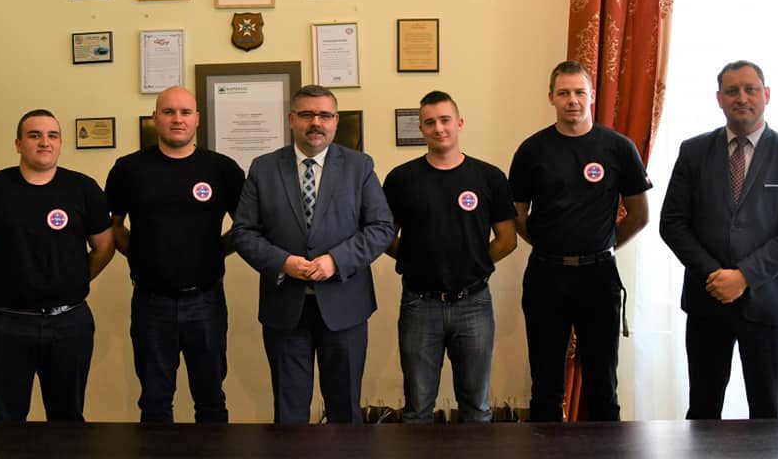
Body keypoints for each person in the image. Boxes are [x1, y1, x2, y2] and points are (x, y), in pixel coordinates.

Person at [660, 60, 778, 419]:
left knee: (767, 410)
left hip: (766, 300)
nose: (742, 98)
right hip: (707, 297)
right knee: (702, 409)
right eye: (732, 91)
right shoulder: (693, 152)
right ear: (719, 98)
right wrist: (714, 275)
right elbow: (672, 223)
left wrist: (744, 276)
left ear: (767, 94)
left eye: (751, 89)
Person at [232, 84, 393, 423]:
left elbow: (381, 228)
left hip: (345, 306)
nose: (316, 122)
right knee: (289, 413)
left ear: (336, 120)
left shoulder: (359, 166)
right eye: (307, 114)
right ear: (291, 119)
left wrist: (336, 260)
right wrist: (282, 262)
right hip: (285, 308)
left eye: (324, 115)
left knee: (345, 410)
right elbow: (243, 232)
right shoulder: (263, 168)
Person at [508, 60, 651, 421]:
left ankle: (605, 447)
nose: (572, 100)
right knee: (545, 384)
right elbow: (517, 216)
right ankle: (546, 446)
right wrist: (549, 244)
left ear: (591, 96)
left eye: (579, 92)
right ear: (551, 98)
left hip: (599, 277)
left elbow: (639, 215)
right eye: (564, 93)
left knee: (603, 384)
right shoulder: (532, 150)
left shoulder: (619, 148)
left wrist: (602, 245)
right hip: (546, 275)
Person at [0, 109, 114, 422]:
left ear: (60, 143)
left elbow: (104, 248)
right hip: (5, 323)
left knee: (68, 419)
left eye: (52, 135)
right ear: (18, 143)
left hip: (69, 323)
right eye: (34, 135)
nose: (45, 142)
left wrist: (73, 280)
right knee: (6, 421)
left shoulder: (83, 188)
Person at [105, 86, 245, 423]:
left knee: (211, 399)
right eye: (168, 112)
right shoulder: (129, 169)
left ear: (197, 119)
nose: (177, 119)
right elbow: (114, 227)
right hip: (151, 302)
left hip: (206, 300)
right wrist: (141, 255)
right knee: (155, 401)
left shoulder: (223, 169)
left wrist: (215, 253)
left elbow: (245, 228)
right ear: (155, 118)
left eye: (185, 112)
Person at [382, 90, 516, 423]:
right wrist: (414, 259)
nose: (438, 128)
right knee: (417, 409)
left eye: (445, 120)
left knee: (476, 409)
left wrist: (473, 263)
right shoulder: (401, 179)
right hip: (419, 303)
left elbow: (507, 240)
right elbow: (385, 237)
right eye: (430, 122)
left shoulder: (489, 177)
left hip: (474, 303)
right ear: (421, 129)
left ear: (459, 123)